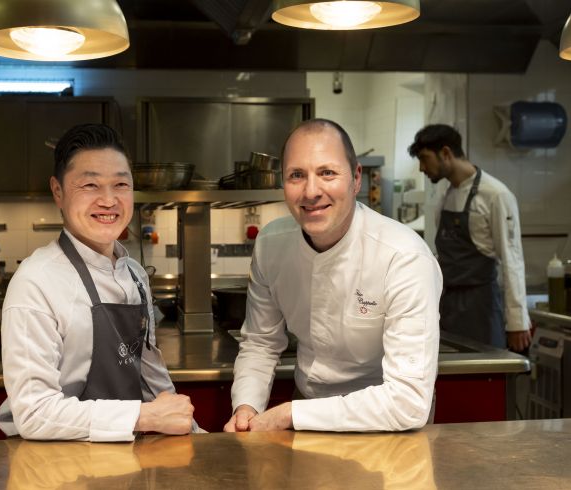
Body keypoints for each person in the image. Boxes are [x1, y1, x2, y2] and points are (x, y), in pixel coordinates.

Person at [224, 119, 442, 433]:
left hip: (387, 420)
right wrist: (246, 406)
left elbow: (408, 401)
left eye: (327, 173)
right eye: (297, 175)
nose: (311, 191)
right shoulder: (271, 245)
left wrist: (289, 415)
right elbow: (261, 343)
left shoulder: (404, 256)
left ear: (356, 179)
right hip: (307, 404)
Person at [0, 123, 195, 441]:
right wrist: (144, 416)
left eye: (120, 184)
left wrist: (192, 430)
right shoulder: (36, 282)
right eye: (90, 185)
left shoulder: (135, 275)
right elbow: (33, 414)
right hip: (56, 467)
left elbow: (149, 372)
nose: (108, 200)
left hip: (126, 457)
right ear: (58, 192)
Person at [408, 124, 532, 352]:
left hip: (481, 307)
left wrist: (517, 322)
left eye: (425, 159)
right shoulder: (445, 197)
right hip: (447, 306)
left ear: (446, 153)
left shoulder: (496, 195)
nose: (422, 168)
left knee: (486, 379)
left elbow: (512, 261)